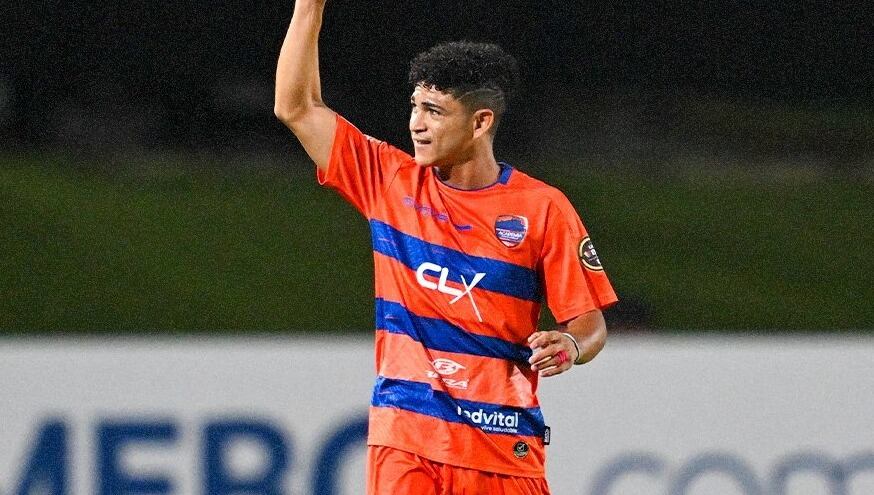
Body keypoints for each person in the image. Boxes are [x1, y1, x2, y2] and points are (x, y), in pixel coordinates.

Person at [274, 1, 618, 493]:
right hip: (405, 438)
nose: (415, 123)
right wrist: (310, 6)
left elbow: (589, 324)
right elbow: (296, 108)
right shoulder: (389, 182)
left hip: (502, 447)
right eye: (415, 106)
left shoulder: (542, 208)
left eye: (433, 111)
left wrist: (571, 345)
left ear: (480, 123)